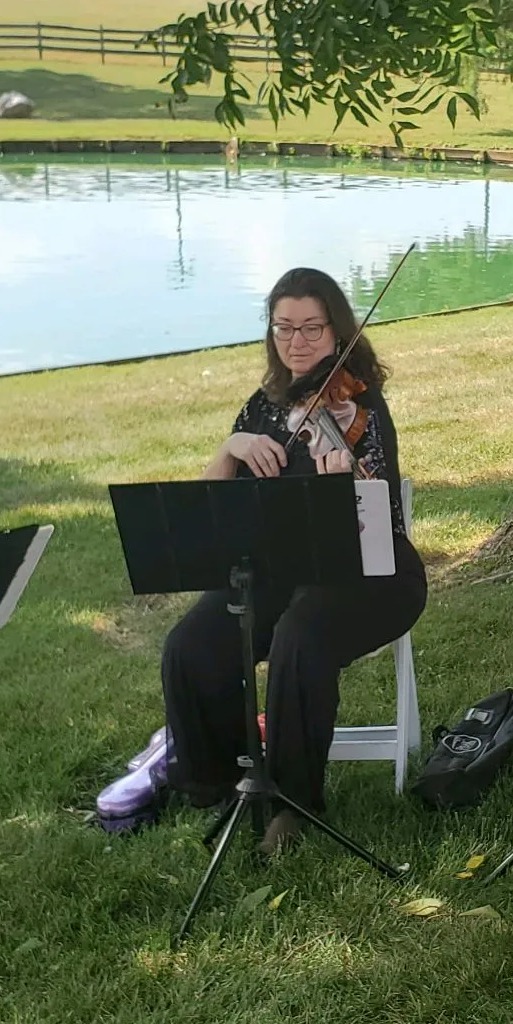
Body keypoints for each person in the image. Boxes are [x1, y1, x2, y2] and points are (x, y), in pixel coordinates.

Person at [157, 268, 428, 851]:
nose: (296, 341)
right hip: (279, 570)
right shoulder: (263, 406)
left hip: (371, 573)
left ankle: (291, 804)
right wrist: (230, 448)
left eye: (311, 328)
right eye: (284, 327)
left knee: (300, 636)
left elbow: (375, 524)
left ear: (337, 331)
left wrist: (339, 486)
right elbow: (208, 509)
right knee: (191, 644)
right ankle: (220, 780)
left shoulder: (361, 405)